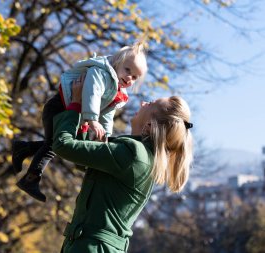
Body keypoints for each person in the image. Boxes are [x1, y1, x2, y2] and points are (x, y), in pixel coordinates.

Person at [52, 81, 194, 252]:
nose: (142, 103)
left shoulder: (132, 154)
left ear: (150, 125)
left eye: (149, 104)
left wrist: (75, 103)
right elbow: (82, 160)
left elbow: (63, 145)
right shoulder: (142, 156)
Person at [12, 41, 148, 202]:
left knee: (64, 144)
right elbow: (92, 93)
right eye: (127, 70)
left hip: (73, 113)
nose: (129, 78)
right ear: (117, 63)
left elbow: (108, 114)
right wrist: (91, 118)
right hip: (59, 108)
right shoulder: (101, 73)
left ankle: (24, 148)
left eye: (134, 77)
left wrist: (105, 134)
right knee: (53, 145)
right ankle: (30, 180)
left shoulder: (116, 90)